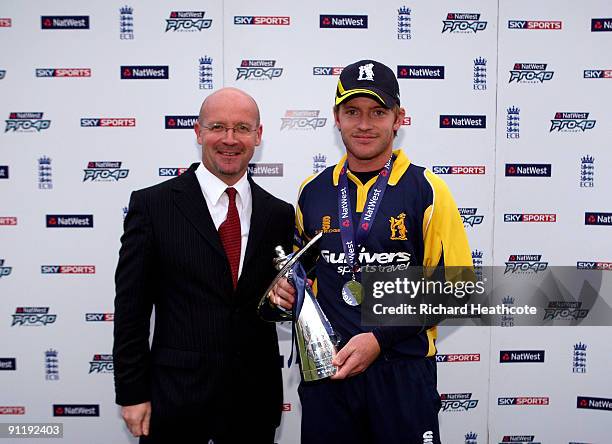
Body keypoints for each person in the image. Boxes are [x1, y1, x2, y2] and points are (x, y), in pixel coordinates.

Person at [266, 60, 472, 444]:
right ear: (336, 118)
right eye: (352, 112)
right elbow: (301, 277)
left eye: (378, 112)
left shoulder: (427, 190)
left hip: (401, 375)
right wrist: (286, 292)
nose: (364, 124)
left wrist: (378, 338)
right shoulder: (312, 191)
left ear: (399, 118)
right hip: (329, 375)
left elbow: (456, 288)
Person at [113, 87, 294, 443]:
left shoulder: (280, 214)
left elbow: (275, 303)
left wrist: (284, 302)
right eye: (217, 127)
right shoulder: (153, 206)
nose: (230, 139)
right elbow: (131, 310)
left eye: (242, 128)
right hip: (175, 401)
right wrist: (132, 392)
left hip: (254, 402)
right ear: (198, 132)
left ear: (258, 136)